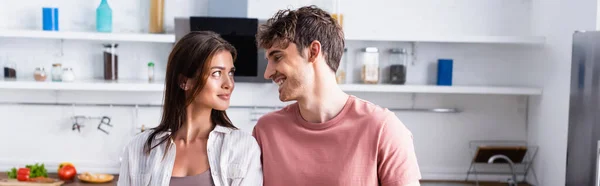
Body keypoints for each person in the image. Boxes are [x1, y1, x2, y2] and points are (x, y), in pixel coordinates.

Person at [252, 5, 422, 186]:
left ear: (313, 52)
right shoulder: (266, 131)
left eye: (277, 57)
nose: (268, 73)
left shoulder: (383, 129)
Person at [118, 31, 263, 186]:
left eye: (230, 73)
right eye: (216, 73)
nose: (229, 83)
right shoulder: (138, 149)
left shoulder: (243, 147)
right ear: (184, 82)